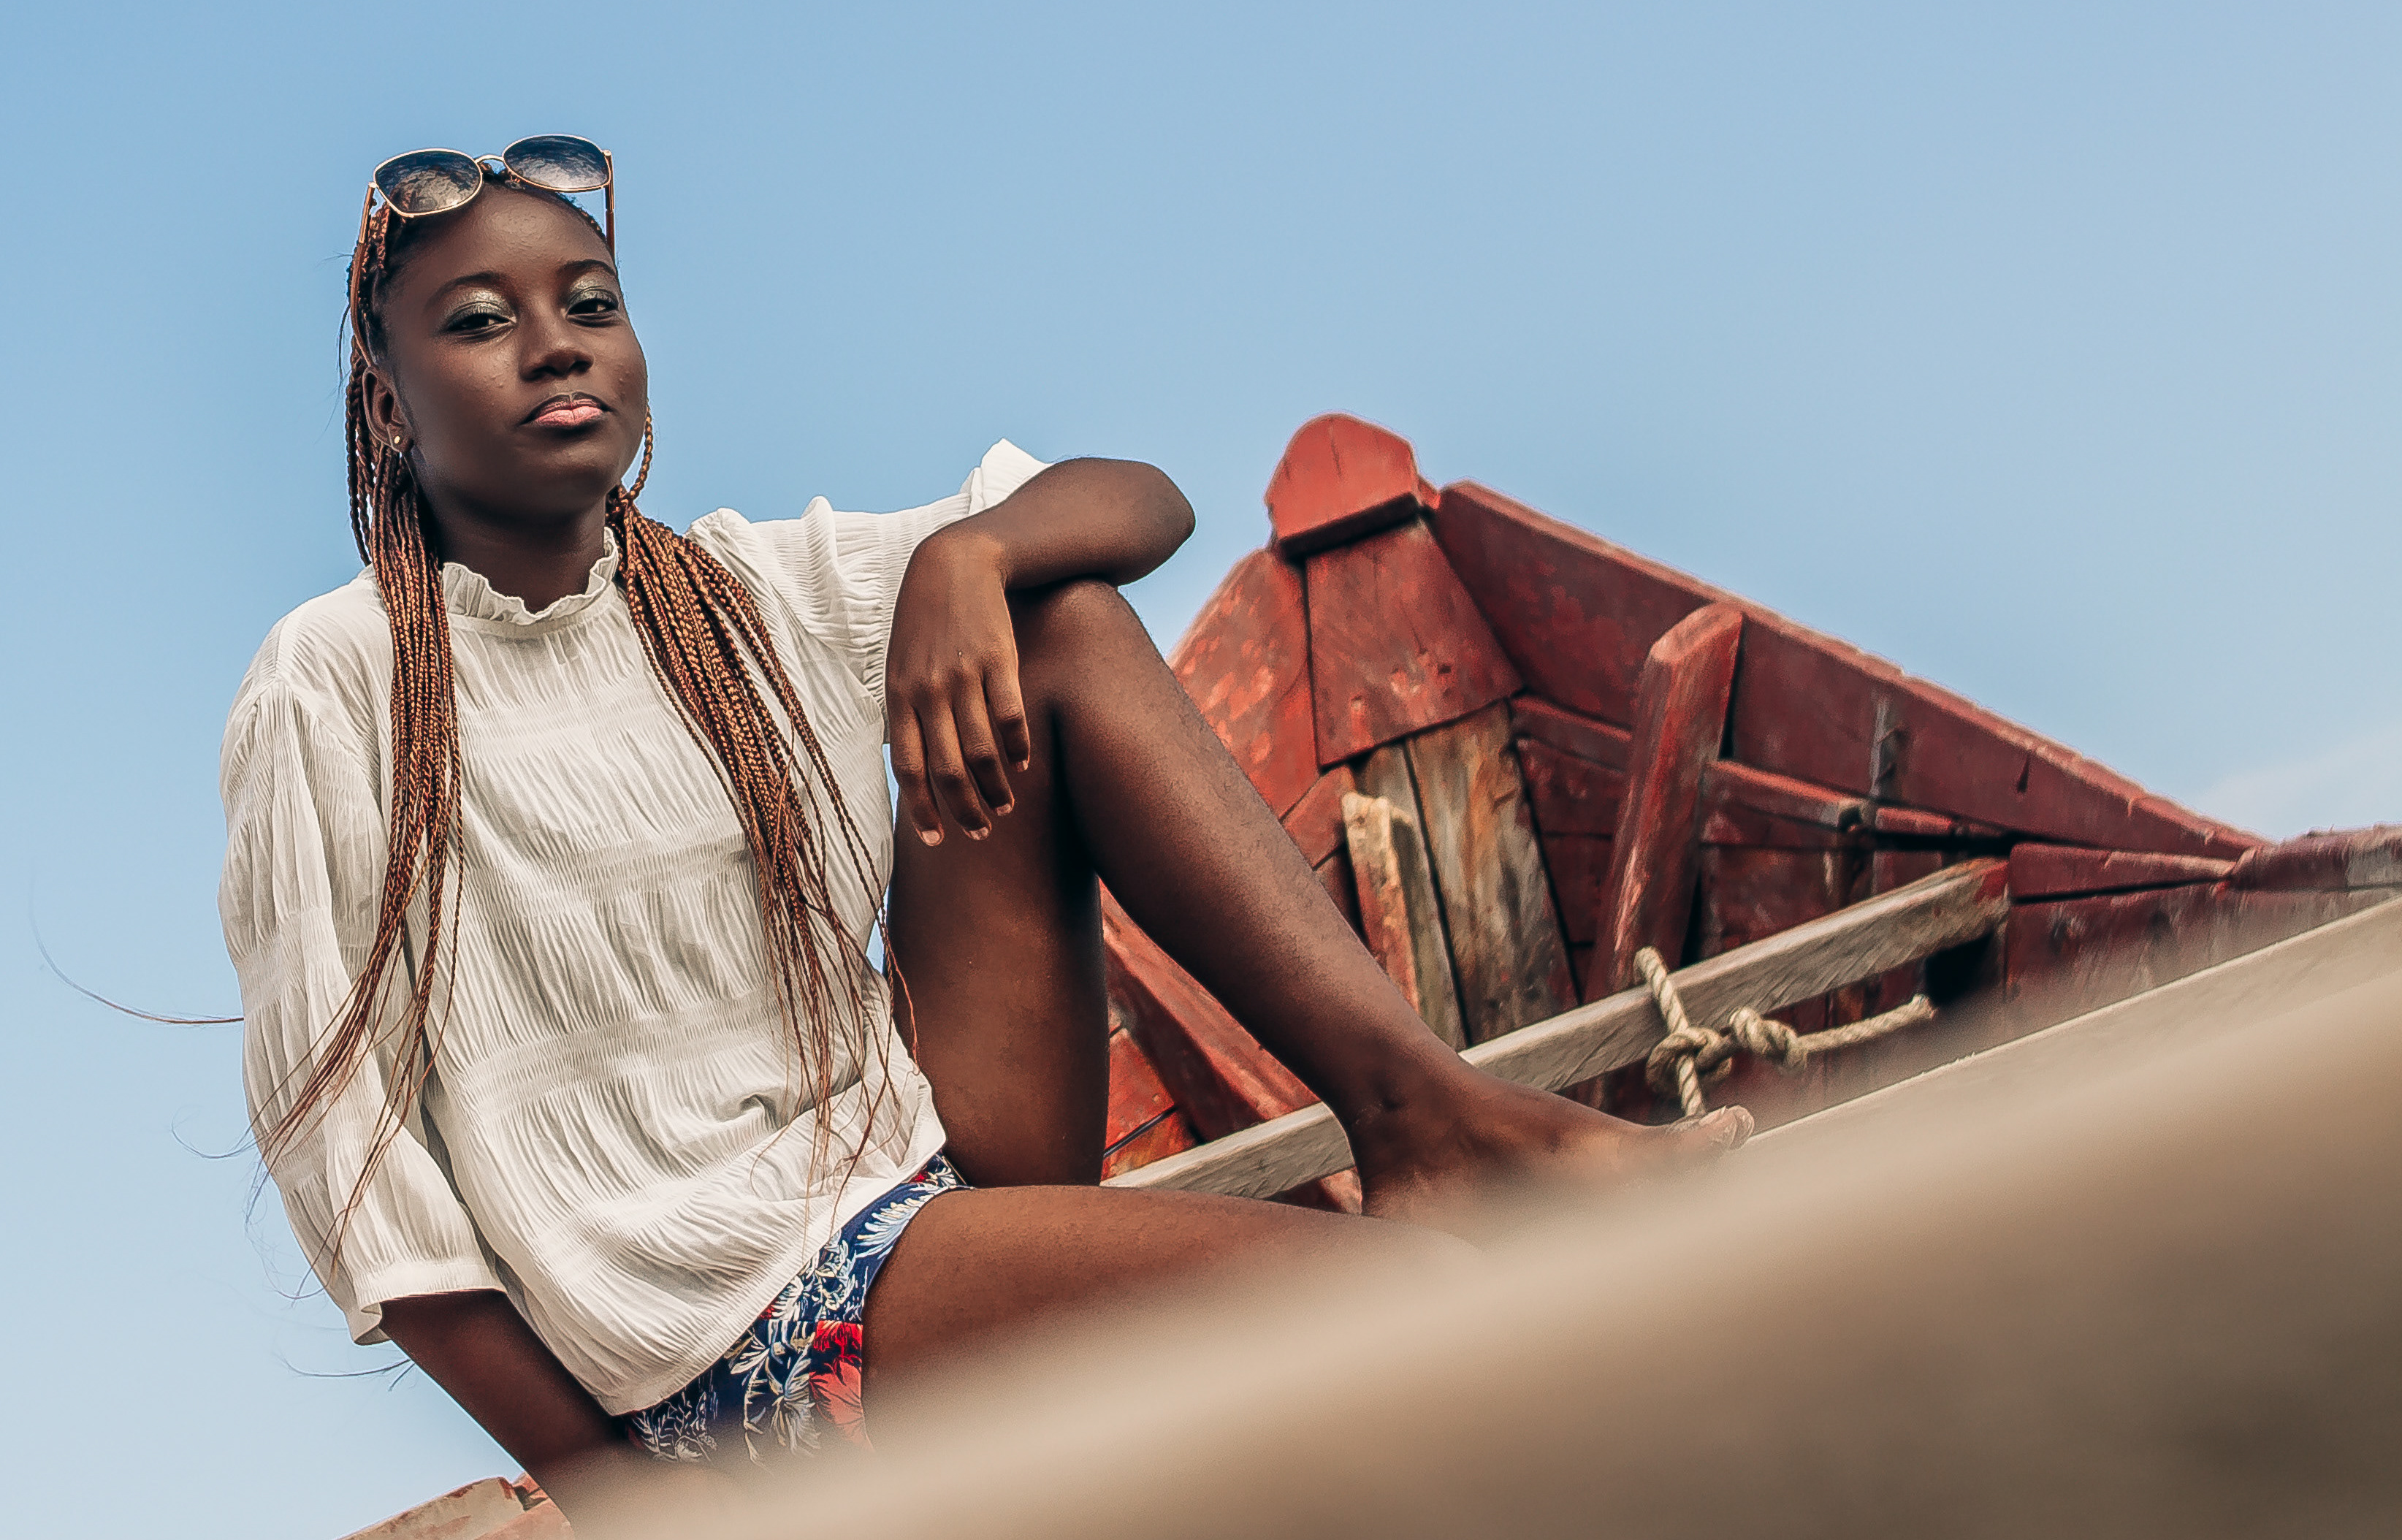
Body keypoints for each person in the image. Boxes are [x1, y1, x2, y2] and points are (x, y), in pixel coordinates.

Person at [218, 140, 1743, 1521]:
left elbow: (1140, 503)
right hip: (729, 1350)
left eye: (591, 304)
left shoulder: (739, 591)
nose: (556, 344)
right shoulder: (336, 680)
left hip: (925, 1181)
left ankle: (1425, 1121)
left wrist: (969, 554)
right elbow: (360, 1178)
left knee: (1054, 613)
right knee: (1406, 1315)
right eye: (481, 320)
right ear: (387, 397)